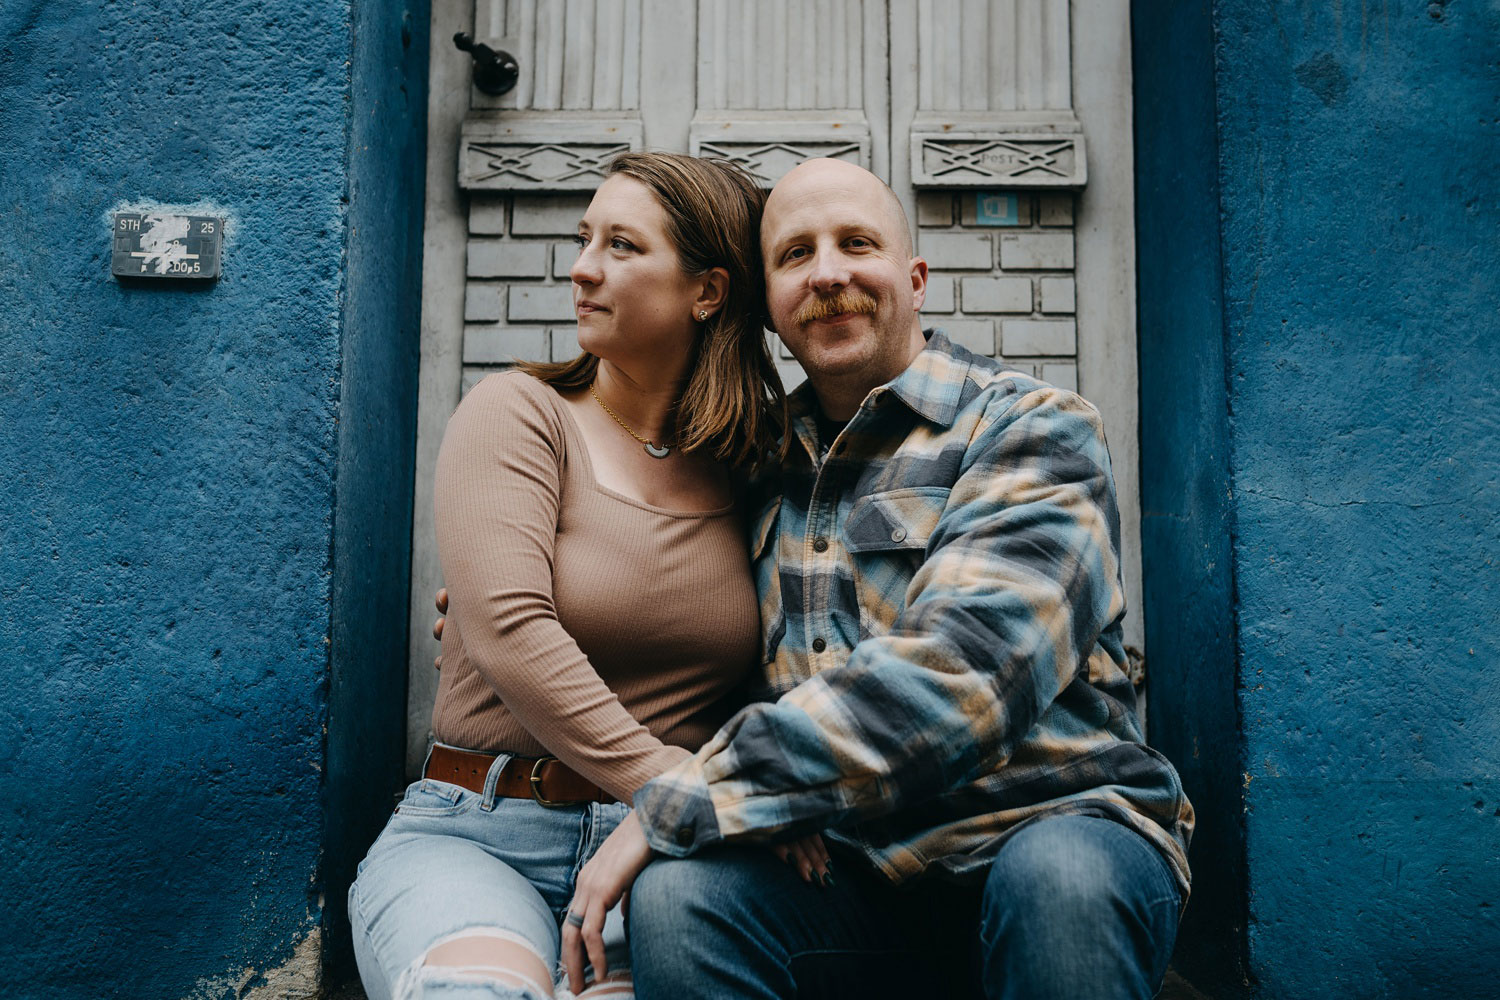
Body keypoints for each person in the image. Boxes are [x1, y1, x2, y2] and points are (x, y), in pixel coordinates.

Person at [559, 158, 1196, 1000]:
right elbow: (672, 621)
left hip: (1051, 825)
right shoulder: (754, 467)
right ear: (771, 310)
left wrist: (683, 798)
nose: (828, 274)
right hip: (857, 868)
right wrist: (520, 602)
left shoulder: (1029, 428)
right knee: (682, 897)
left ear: (916, 277)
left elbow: (966, 680)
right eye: (794, 256)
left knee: (1059, 883)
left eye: (856, 243)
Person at [349, 152, 827, 1000]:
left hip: (659, 861)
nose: (581, 266)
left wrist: (734, 792)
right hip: (479, 831)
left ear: (707, 291)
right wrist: (686, 789)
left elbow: (805, 648)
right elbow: (510, 629)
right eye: (584, 239)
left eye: (620, 245)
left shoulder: (754, 466)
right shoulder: (520, 415)